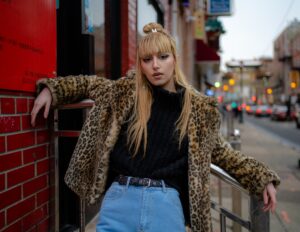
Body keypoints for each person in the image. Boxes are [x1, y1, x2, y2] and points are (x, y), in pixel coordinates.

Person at [31, 23, 280, 232]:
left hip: (166, 205)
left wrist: (261, 177)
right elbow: (86, 84)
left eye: (162, 57)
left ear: (174, 59)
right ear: (140, 64)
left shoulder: (198, 110)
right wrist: (53, 91)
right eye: (147, 60)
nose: (155, 66)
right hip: (120, 199)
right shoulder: (125, 94)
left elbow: (225, 154)